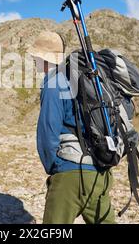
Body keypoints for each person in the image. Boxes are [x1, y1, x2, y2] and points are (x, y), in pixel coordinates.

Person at [28, 31, 115, 224]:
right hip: (100, 173)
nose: (33, 60)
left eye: (35, 56)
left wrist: (55, 168)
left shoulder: (53, 83)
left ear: (43, 57)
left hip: (70, 175)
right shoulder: (81, 80)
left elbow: (47, 133)